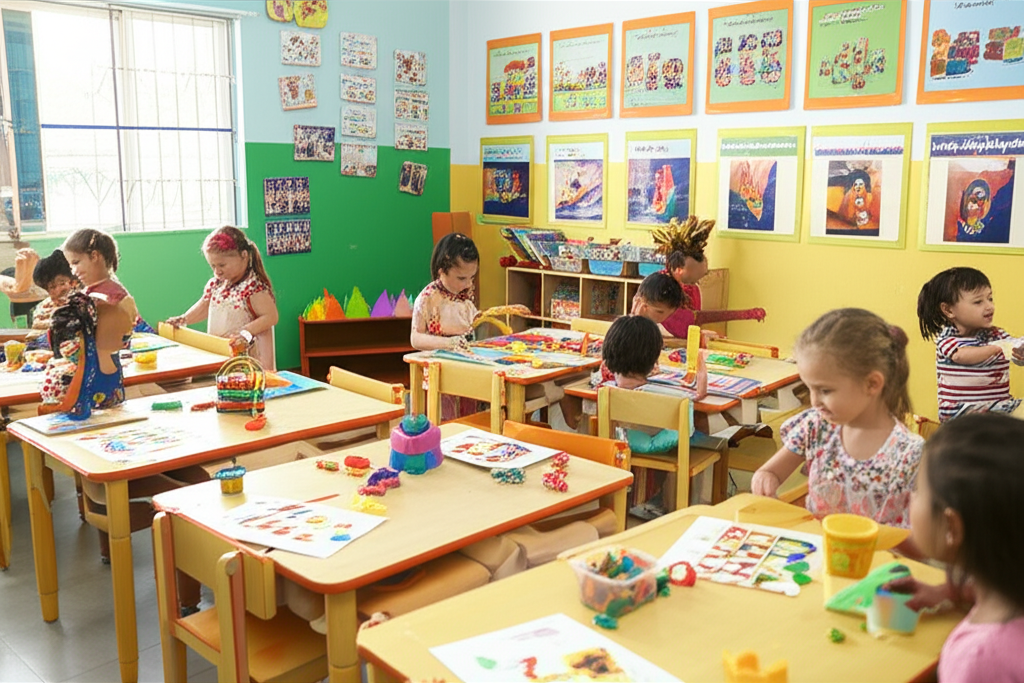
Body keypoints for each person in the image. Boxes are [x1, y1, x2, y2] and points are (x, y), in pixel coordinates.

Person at [752, 308, 923, 529]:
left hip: (875, 560)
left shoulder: (908, 453)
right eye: (809, 389)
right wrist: (764, 481)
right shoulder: (816, 426)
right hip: (816, 554)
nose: (814, 402)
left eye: (825, 391)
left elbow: (920, 542)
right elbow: (770, 472)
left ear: (872, 384)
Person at [885, 414, 1024, 683]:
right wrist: (951, 591)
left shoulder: (979, 660)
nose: (910, 497)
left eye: (918, 489)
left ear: (952, 527)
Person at [917, 267, 1024, 422]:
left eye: (990, 298)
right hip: (960, 412)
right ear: (948, 310)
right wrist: (997, 347)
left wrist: (1020, 353)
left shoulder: (997, 335)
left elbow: (1013, 353)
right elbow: (962, 356)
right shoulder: (947, 339)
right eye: (978, 302)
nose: (989, 306)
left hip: (999, 408)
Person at [167, 226, 279, 371]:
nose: (217, 271)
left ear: (244, 256)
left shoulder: (253, 288)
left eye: (222, 265)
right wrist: (184, 319)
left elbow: (271, 317)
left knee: (248, 385)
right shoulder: (216, 284)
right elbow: (204, 306)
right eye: (213, 266)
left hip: (250, 357)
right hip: (223, 355)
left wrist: (245, 332)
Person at [54, 229, 140, 413]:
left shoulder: (112, 296)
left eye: (76, 262)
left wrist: (72, 348)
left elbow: (111, 342)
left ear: (95, 256)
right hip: (92, 367)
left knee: (103, 416)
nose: (74, 271)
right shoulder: (89, 293)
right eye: (71, 265)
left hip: (100, 372)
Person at [652, 215, 765, 340]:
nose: (698, 281)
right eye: (694, 277)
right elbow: (691, 320)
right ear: (679, 269)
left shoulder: (692, 290)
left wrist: (702, 335)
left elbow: (692, 324)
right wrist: (746, 314)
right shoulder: (659, 288)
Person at [411, 233, 479, 351]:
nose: (468, 284)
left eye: (472, 277)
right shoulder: (428, 298)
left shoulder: (466, 293)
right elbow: (415, 339)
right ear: (442, 271)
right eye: (461, 278)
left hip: (464, 360)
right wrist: (448, 343)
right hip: (438, 363)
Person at [27, 249, 79, 345]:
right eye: (52, 287)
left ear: (73, 281)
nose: (58, 290)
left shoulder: (83, 302)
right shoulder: (44, 307)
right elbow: (35, 329)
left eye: (62, 283)